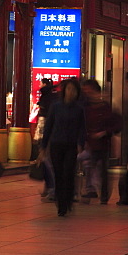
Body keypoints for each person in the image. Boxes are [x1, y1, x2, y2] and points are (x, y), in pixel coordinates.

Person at [42, 78, 87, 217]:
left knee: (68, 172)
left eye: (73, 90)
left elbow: (82, 128)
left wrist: (80, 143)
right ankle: (61, 204)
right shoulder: (56, 107)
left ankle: (68, 200)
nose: (71, 92)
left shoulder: (79, 109)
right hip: (56, 144)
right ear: (64, 90)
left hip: (71, 145)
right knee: (58, 173)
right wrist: (43, 146)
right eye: (68, 89)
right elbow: (48, 126)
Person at [81, 79, 122, 204]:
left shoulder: (105, 107)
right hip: (88, 144)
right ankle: (89, 191)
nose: (88, 94)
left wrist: (104, 133)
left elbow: (117, 125)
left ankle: (103, 196)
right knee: (88, 168)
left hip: (103, 144)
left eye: (91, 91)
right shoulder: (84, 107)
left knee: (103, 171)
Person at [35, 79, 56, 202]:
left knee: (47, 162)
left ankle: (50, 188)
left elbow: (42, 123)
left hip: (47, 135)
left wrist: (38, 139)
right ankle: (50, 188)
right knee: (48, 162)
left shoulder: (46, 103)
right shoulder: (54, 101)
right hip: (51, 136)